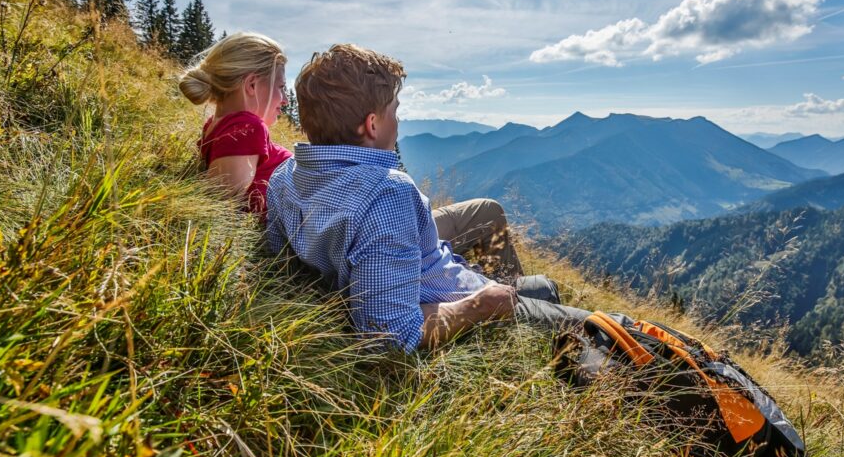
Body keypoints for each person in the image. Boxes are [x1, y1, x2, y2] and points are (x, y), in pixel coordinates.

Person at [265, 43, 591, 352]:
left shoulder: (282, 177)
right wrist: (482, 305)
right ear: (372, 124)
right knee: (606, 327)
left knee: (540, 287)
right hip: (456, 301)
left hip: (419, 281)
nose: (399, 119)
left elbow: (287, 266)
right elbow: (392, 335)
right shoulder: (386, 195)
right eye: (395, 109)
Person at [179, 32, 292, 214]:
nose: (285, 99)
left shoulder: (218, 125)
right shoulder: (246, 128)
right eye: (281, 87)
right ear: (251, 85)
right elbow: (221, 210)